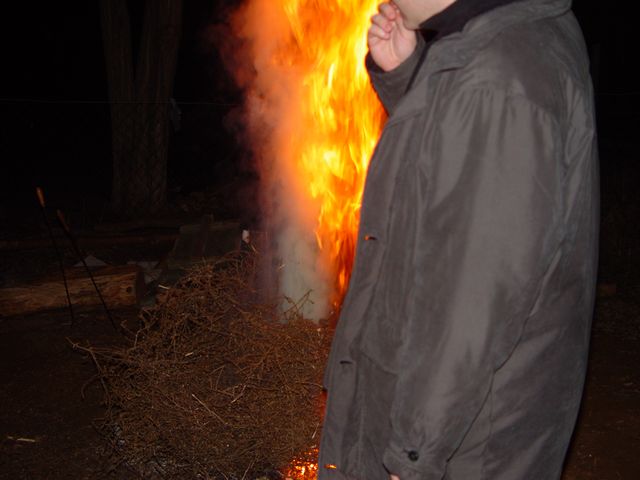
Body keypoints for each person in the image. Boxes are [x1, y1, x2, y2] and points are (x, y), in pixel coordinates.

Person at [317, 0, 599, 479]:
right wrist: (410, 75)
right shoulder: (507, 39)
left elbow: (472, 298)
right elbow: (458, 168)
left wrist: (412, 451)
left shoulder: (499, 81)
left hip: (466, 446)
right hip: (476, 424)